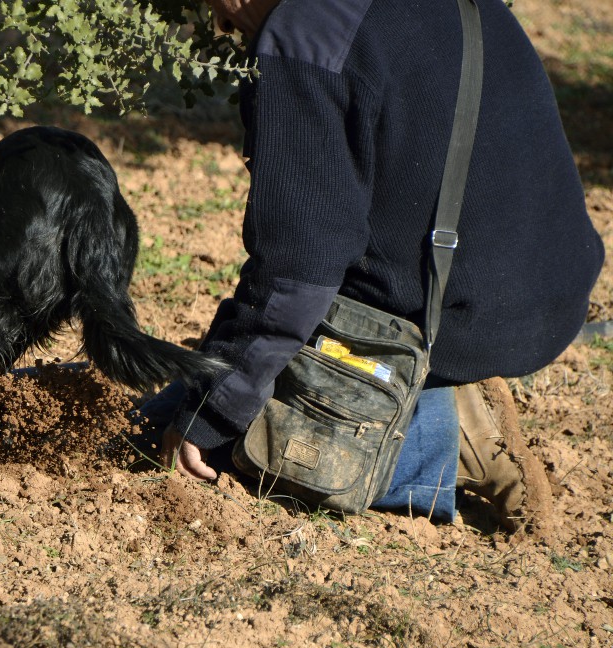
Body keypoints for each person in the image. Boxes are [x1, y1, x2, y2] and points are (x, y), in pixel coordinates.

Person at [145, 0, 605, 531]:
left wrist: (213, 416)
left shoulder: (306, 34)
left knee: (184, 438)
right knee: (198, 398)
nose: (221, 23)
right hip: (542, 290)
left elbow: (298, 269)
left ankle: (443, 435)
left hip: (455, 320)